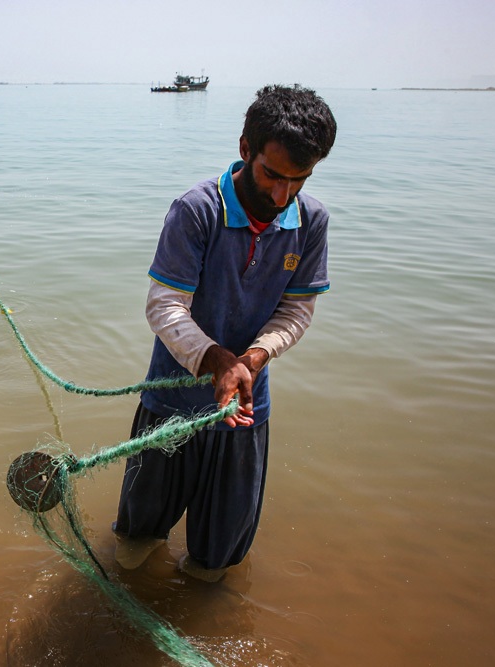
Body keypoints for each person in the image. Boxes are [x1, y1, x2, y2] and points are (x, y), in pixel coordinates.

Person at [112, 84, 338, 583]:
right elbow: (165, 305)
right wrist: (217, 361)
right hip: (170, 407)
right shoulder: (196, 210)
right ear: (245, 148)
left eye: (298, 180)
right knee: (135, 542)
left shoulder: (312, 220)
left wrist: (251, 360)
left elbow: (297, 312)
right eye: (272, 175)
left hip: (244, 410)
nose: (282, 195)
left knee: (216, 562)